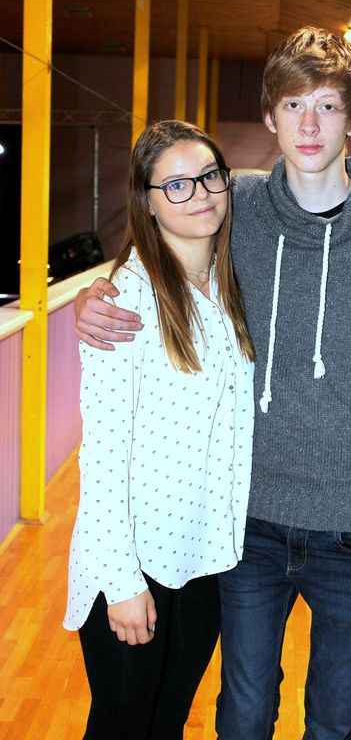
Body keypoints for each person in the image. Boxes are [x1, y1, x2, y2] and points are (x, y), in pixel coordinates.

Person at [75, 27, 351, 740]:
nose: (309, 124)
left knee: (334, 720)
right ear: (270, 117)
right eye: (293, 104)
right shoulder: (236, 206)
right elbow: (160, 247)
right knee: (242, 716)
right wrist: (96, 298)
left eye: (328, 106)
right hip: (249, 523)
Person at [64, 120, 255, 740]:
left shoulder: (229, 283)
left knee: (166, 725)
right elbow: (102, 455)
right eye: (175, 185)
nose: (198, 193)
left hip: (204, 557)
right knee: (122, 727)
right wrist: (121, 583)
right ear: (146, 201)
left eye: (208, 176)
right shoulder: (126, 301)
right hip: (133, 562)